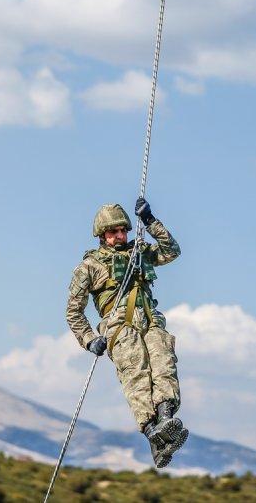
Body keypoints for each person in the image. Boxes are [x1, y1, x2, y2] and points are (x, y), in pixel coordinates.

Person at [66, 198, 187, 468]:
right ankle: (151, 431)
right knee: (137, 374)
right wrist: (89, 340)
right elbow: (73, 312)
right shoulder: (89, 267)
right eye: (113, 232)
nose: (120, 236)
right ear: (102, 236)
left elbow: (172, 250)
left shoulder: (139, 252)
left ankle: (166, 420)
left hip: (151, 320)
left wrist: (151, 221)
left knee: (163, 365)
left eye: (123, 230)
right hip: (120, 327)